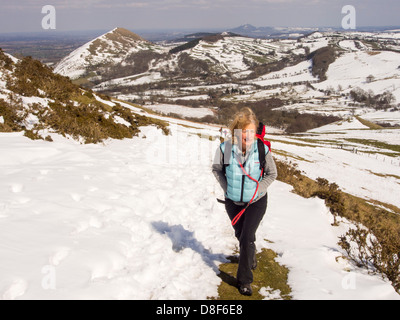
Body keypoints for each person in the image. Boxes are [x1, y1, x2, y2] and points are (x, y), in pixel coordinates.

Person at [212, 107, 278, 296]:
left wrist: (259, 189)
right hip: (233, 202)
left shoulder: (261, 149)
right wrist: (227, 189)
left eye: (251, 132)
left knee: (247, 237)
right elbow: (216, 169)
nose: (248, 136)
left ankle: (244, 280)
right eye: (244, 132)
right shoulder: (224, 148)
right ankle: (250, 257)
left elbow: (272, 174)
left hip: (256, 202)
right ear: (236, 131)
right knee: (242, 236)